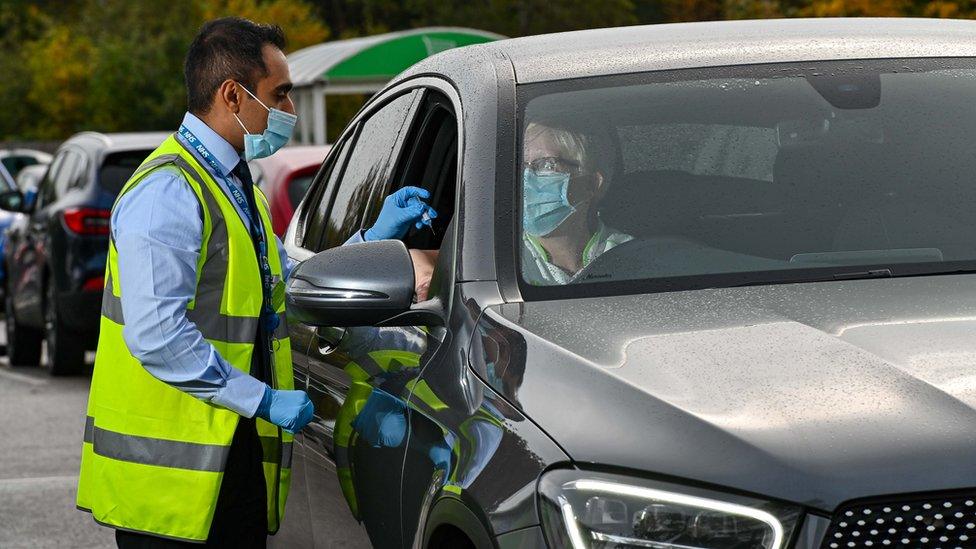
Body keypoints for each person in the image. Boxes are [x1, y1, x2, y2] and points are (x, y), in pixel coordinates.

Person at [76, 17, 433, 548]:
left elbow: (286, 286)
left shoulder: (236, 188)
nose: (288, 111)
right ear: (232, 95)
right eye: (280, 94)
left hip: (225, 464)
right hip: (170, 489)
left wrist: (373, 239)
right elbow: (157, 336)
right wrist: (264, 400)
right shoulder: (169, 194)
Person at [521, 121, 632, 285]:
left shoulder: (630, 255)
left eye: (547, 164)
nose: (527, 177)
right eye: (521, 167)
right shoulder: (501, 262)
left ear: (592, 184)